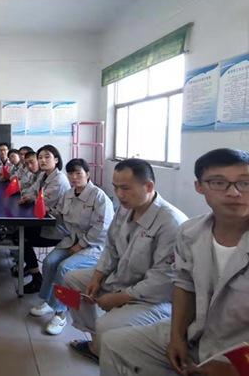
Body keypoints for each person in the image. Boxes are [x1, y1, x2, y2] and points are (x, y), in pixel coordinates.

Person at [101, 148, 249, 376]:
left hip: (239, 350)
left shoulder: (171, 220)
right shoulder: (191, 232)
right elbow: (184, 285)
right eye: (219, 183)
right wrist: (177, 336)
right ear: (199, 187)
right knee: (114, 344)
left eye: (245, 183)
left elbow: (161, 283)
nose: (234, 192)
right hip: (197, 332)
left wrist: (235, 370)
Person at [63, 158, 188, 363]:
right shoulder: (125, 208)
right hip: (123, 277)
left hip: (156, 298)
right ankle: (97, 344)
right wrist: (97, 277)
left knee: (107, 325)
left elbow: (162, 282)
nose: (119, 194)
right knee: (71, 280)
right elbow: (111, 247)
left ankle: (109, 346)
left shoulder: (171, 223)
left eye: (126, 188)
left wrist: (120, 298)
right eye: (116, 188)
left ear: (149, 186)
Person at [29, 158, 114, 336]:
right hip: (72, 240)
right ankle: (48, 300)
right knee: (49, 262)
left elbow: (101, 230)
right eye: (70, 174)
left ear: (87, 174)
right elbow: (60, 214)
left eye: (78, 173)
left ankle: (61, 312)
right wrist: (47, 211)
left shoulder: (99, 197)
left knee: (65, 268)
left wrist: (81, 245)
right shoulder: (68, 194)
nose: (74, 177)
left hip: (94, 246)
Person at [18, 145, 71, 293]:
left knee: (22, 237)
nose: (42, 160)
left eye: (47, 157)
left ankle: (37, 278)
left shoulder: (59, 180)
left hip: (57, 228)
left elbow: (42, 202)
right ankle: (31, 267)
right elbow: (32, 191)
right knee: (19, 233)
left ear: (56, 160)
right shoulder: (43, 175)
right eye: (40, 157)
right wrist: (28, 197)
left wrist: (32, 198)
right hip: (44, 220)